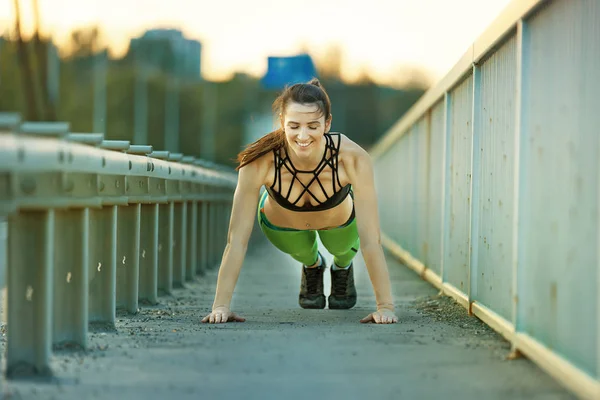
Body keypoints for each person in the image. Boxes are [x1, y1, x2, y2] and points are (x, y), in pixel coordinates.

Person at [201, 78, 398, 325]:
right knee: (304, 251)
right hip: (282, 227)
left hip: (340, 225)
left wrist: (386, 307)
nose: (303, 136)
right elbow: (237, 240)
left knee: (341, 247)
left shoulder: (353, 158)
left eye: (312, 126)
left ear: (327, 123)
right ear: (282, 122)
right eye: (294, 126)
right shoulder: (260, 161)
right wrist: (221, 306)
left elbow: (371, 240)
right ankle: (312, 265)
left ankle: (342, 267)